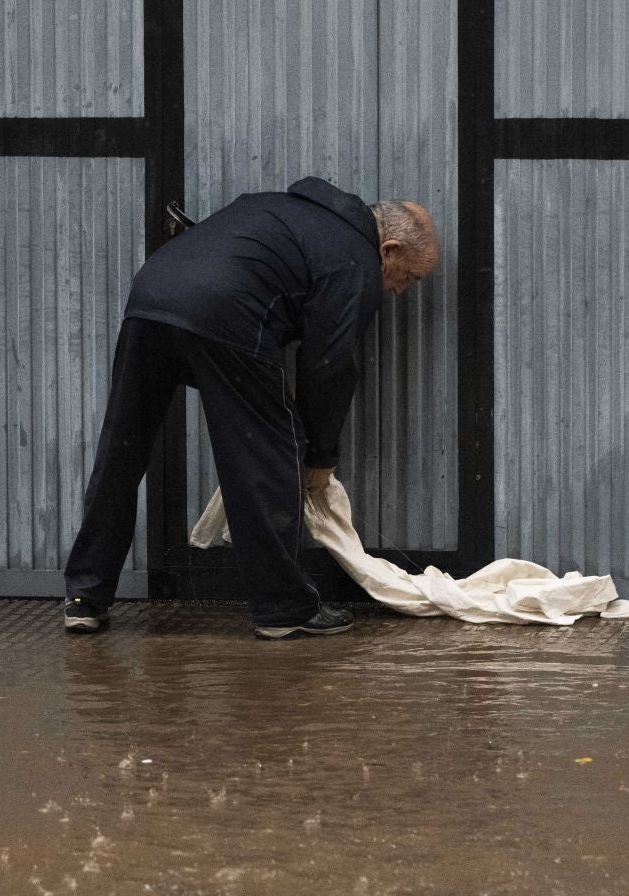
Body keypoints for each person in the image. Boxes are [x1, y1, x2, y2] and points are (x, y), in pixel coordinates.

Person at [61, 177, 440, 639]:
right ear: (389, 249)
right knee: (268, 456)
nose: (401, 291)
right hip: (227, 313)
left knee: (123, 449)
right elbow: (328, 365)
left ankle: (85, 596)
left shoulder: (275, 206)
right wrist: (319, 457)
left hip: (150, 298)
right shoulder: (354, 258)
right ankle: (283, 608)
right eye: (409, 278)